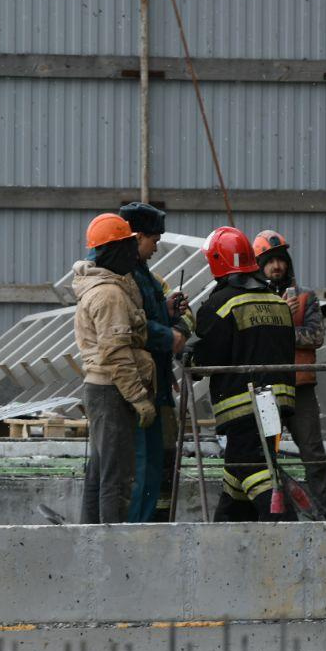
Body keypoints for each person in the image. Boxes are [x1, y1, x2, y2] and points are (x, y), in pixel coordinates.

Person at [192, 226, 296, 521]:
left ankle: (288, 532)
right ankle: (225, 535)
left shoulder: (219, 305)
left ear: (216, 261)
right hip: (277, 405)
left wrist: (187, 350)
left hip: (242, 407)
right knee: (239, 475)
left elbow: (205, 360)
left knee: (255, 470)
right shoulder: (278, 302)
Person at [252, 229, 326, 520]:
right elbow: (254, 339)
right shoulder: (252, 298)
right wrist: (281, 317)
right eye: (269, 261)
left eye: (279, 260)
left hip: (300, 388)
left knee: (314, 455)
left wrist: (278, 330)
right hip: (266, 391)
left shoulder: (306, 297)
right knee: (266, 457)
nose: (276, 266)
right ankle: (275, 514)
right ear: (258, 266)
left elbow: (314, 336)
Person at [73, 213, 157, 524]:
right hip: (111, 391)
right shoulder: (109, 295)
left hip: (104, 389)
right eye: (127, 245)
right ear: (115, 250)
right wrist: (138, 398)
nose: (134, 252)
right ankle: (110, 546)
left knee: (100, 471)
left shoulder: (107, 287)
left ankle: (91, 539)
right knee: (116, 477)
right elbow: (117, 353)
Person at [118, 202, 191, 522]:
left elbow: (147, 315)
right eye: (153, 240)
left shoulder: (144, 276)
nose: (157, 247)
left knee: (154, 462)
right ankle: (138, 529)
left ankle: (147, 525)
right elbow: (132, 326)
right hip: (142, 382)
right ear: (136, 238)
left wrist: (169, 311)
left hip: (157, 380)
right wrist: (168, 336)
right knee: (142, 463)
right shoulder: (126, 277)